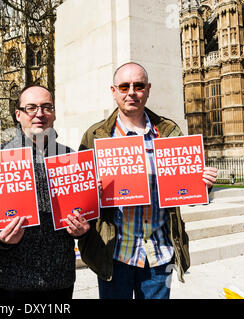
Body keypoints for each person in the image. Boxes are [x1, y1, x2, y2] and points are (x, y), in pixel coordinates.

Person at [78, 62, 217, 299]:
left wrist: (203, 187)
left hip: (159, 252)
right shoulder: (95, 135)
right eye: (124, 86)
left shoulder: (169, 131)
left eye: (138, 86)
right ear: (113, 91)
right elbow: (81, 195)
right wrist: (90, 191)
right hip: (114, 253)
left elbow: (187, 193)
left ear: (148, 89)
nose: (131, 92)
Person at [0, 85, 90, 300]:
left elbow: (86, 216)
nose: (39, 114)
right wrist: (0, 238)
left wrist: (83, 229)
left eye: (46, 107)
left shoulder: (71, 157)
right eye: (31, 108)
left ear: (54, 114)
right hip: (12, 281)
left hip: (60, 280)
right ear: (18, 114)